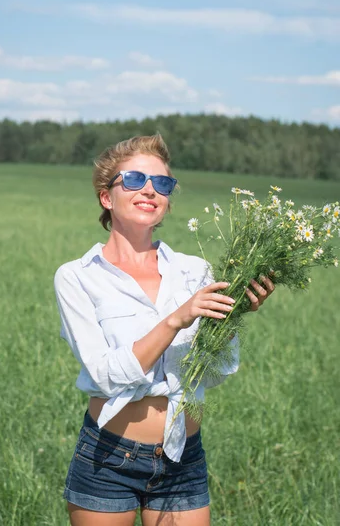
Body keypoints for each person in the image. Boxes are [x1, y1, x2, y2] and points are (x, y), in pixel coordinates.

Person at [54, 134, 275, 526]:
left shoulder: (194, 271)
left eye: (163, 183)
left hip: (183, 456)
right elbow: (107, 376)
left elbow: (215, 371)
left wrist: (235, 315)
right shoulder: (77, 277)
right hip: (108, 458)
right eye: (136, 180)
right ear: (107, 197)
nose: (150, 190)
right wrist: (176, 319)